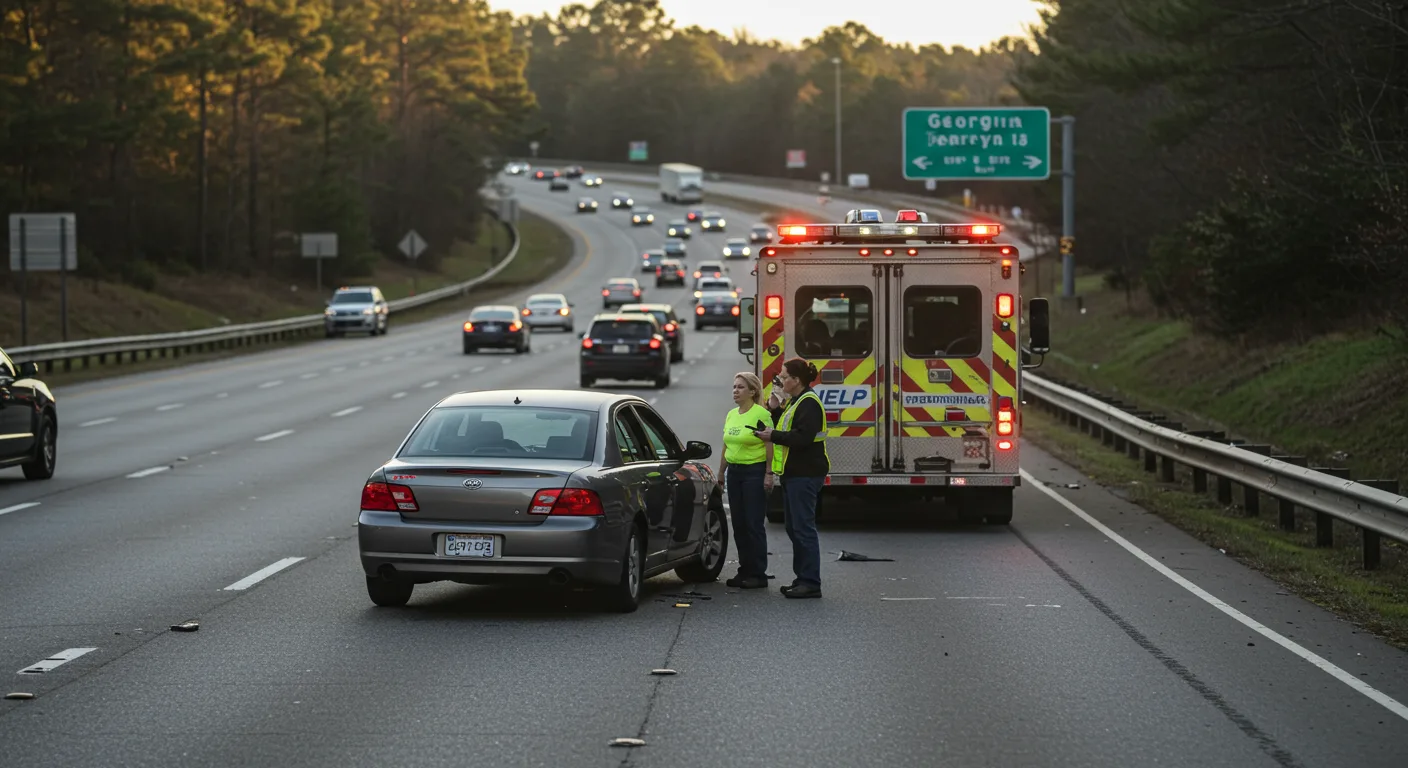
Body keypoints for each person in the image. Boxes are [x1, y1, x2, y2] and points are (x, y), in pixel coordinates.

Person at [755, 358, 829, 599]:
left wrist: (772, 435)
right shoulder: (796, 401)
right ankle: (802, 579)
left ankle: (810, 582)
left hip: (805, 474)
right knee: (794, 528)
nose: (780, 380)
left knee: (803, 529)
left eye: (784, 377)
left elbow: (802, 437)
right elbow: (789, 428)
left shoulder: (809, 403)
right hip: (794, 473)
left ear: (796, 380)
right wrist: (776, 410)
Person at [717, 373, 773, 589]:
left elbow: (769, 444)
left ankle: (758, 573)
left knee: (753, 524)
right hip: (735, 472)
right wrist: (721, 473)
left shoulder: (761, 414)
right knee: (739, 524)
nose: (735, 391)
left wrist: (769, 473)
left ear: (752, 391)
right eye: (734, 387)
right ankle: (745, 570)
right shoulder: (731, 414)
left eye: (740, 387)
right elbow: (726, 445)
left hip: (754, 472)